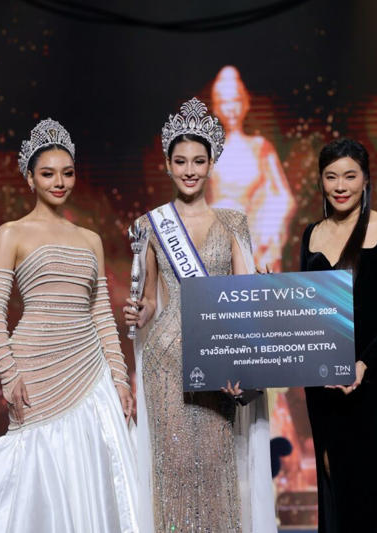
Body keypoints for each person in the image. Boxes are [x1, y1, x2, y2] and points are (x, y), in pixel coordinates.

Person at [0, 118, 140, 533]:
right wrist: (9, 373)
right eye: (48, 174)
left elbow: (101, 313)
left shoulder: (90, 239)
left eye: (67, 173)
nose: (59, 182)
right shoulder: (11, 233)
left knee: (95, 466)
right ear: (30, 178)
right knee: (32, 463)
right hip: (36, 367)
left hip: (91, 368)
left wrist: (119, 379)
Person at [123, 98, 276, 532]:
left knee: (215, 467)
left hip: (215, 362)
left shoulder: (233, 221)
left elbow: (245, 295)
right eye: (180, 161)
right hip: (166, 361)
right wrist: (139, 311)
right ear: (167, 165)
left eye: (198, 161)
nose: (189, 170)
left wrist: (266, 291)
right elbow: (150, 300)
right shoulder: (151, 224)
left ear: (211, 164)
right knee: (172, 470)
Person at [299, 138, 377, 532]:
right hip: (324, 383)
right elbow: (309, 310)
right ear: (321, 181)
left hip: (376, 379)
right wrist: (274, 292)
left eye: (350, 176)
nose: (340, 186)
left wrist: (365, 362)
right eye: (331, 176)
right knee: (336, 482)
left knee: (375, 486)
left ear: (366, 179)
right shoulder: (311, 235)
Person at [208, 65, 295, 272]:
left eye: (236, 100)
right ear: (216, 108)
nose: (231, 108)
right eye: (224, 102)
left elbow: (284, 198)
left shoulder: (260, 147)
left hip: (258, 243)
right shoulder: (210, 153)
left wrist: (267, 233)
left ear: (245, 103)